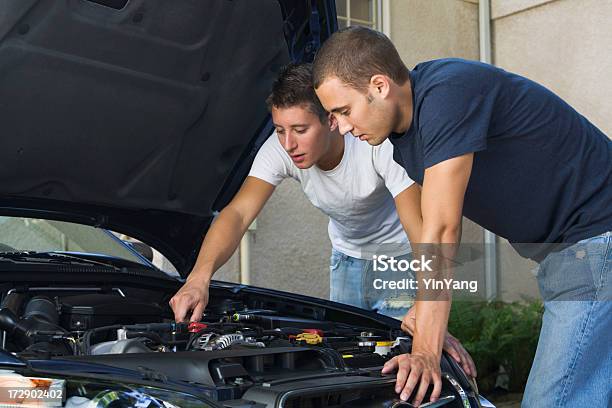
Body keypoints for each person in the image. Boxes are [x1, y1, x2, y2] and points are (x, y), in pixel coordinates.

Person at [312, 26, 612, 408]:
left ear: (380, 86)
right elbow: (426, 233)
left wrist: (424, 352)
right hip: (568, 252)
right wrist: (424, 316)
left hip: (596, 237)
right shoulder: (405, 141)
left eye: (343, 110)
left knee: (553, 400)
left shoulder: (446, 93)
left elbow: (442, 229)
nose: (342, 127)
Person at [170, 63, 476, 377]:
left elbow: (421, 227)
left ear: (331, 120)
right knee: (344, 365)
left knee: (402, 368)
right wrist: (198, 278)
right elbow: (237, 214)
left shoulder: (377, 144)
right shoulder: (281, 149)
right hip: (345, 260)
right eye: (279, 130)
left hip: (400, 262)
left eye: (300, 130)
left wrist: (429, 315)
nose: (288, 143)